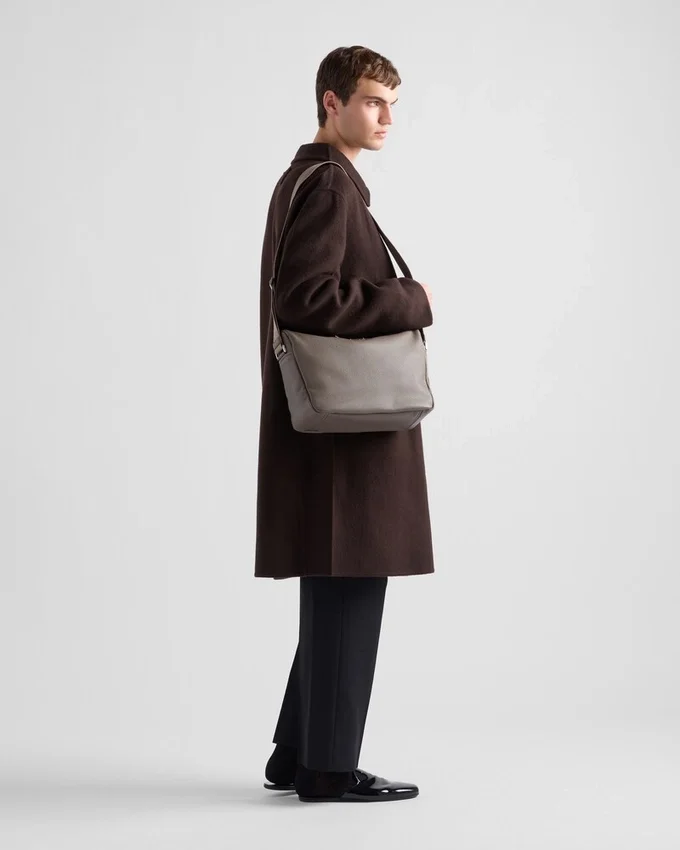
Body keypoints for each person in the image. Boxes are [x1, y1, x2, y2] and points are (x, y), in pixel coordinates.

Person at [255, 45, 435, 803]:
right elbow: (306, 298)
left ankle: (298, 752)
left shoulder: (309, 178)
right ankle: (328, 770)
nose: (386, 117)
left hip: (327, 426)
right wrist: (409, 299)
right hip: (346, 432)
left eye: (392, 104)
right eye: (371, 101)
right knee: (352, 582)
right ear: (331, 102)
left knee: (338, 585)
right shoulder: (330, 184)